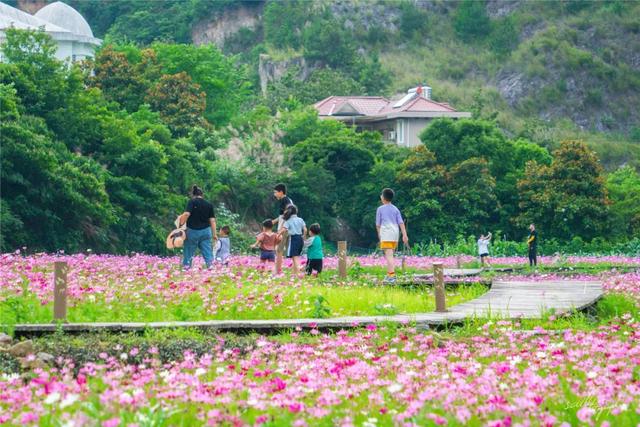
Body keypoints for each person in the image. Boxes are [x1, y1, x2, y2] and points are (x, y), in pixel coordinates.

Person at [178, 185, 216, 269]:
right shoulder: (209, 205)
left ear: (193, 194)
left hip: (192, 231)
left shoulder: (192, 202)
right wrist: (214, 234)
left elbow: (187, 214)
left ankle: (186, 268)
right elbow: (212, 221)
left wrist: (180, 224)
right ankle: (211, 267)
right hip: (206, 231)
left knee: (189, 251)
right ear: (202, 194)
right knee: (207, 251)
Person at [376, 188, 409, 283]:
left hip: (386, 233)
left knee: (389, 255)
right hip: (395, 233)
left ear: (383, 198)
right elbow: (401, 223)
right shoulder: (395, 209)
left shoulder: (380, 209)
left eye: (381, 195)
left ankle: (392, 276)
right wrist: (404, 235)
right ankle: (389, 274)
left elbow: (378, 224)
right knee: (390, 254)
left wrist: (380, 235)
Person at [278, 205, 306, 276]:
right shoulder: (300, 219)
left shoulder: (288, 221)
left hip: (293, 239)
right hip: (300, 238)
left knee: (295, 256)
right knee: (296, 256)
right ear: (296, 211)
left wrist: (278, 235)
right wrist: (304, 236)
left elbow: (283, 229)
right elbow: (305, 229)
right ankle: (294, 274)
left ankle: (300, 268)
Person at [272, 184, 294, 274]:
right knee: (290, 250)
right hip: (288, 228)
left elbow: (286, 214)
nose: (274, 194)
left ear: (281, 192)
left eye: (275, 192)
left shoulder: (284, 200)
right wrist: (275, 221)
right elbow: (285, 214)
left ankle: (278, 270)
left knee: (279, 249)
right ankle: (295, 269)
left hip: (284, 228)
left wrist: (281, 229)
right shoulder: (288, 200)